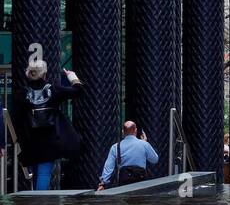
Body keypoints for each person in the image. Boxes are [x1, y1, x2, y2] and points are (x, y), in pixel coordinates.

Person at [13, 60, 83, 190]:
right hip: (50, 137)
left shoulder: (22, 93)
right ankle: (40, 201)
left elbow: (16, 117)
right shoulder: (53, 89)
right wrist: (72, 77)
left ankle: (35, 199)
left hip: (31, 138)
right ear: (45, 74)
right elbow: (77, 91)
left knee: (35, 170)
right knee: (44, 172)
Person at [97, 120, 159, 190]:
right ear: (135, 131)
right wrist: (145, 143)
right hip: (141, 181)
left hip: (124, 181)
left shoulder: (115, 147)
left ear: (123, 132)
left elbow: (108, 167)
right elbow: (155, 159)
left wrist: (103, 184)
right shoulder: (144, 144)